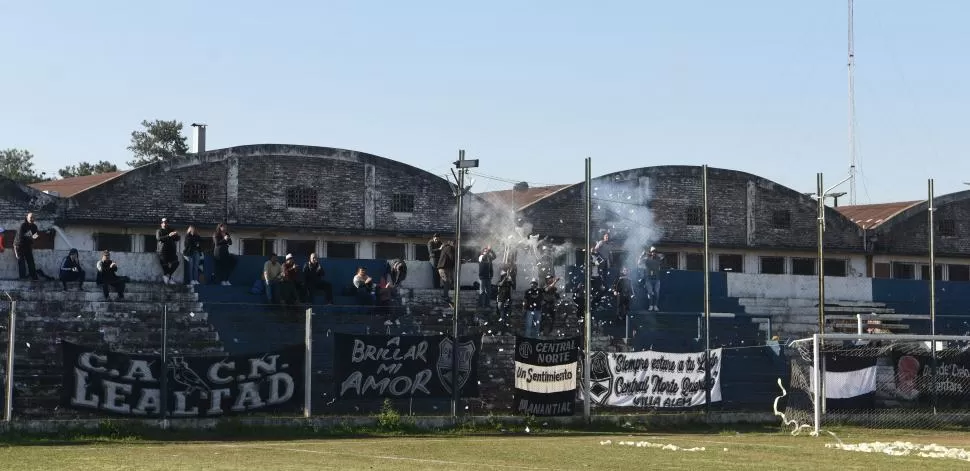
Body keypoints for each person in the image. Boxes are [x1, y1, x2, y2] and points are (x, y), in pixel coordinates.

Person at [156, 217, 181, 285]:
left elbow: (177, 239)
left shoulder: (171, 230)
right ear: (161, 224)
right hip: (163, 251)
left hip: (171, 251)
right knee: (165, 265)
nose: (164, 224)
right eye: (163, 223)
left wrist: (176, 234)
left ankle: (168, 276)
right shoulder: (159, 231)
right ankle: (168, 277)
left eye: (166, 223)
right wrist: (168, 235)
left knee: (176, 263)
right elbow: (159, 238)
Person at [15, 212, 39, 280]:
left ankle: (34, 277)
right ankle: (22, 278)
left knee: (31, 262)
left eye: (33, 218)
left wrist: (34, 237)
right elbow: (20, 238)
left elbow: (36, 236)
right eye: (31, 217)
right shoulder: (23, 226)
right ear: (27, 218)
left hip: (28, 246)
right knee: (21, 263)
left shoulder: (34, 226)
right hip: (20, 246)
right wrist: (16, 251)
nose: (32, 219)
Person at [640, 246, 665, 311]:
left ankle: (655, 306)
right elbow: (639, 262)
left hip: (657, 279)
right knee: (650, 293)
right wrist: (642, 255)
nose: (654, 253)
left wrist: (655, 255)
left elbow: (663, 256)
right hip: (648, 279)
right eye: (652, 252)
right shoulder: (647, 259)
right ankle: (651, 305)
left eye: (655, 251)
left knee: (657, 293)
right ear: (650, 252)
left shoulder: (658, 258)